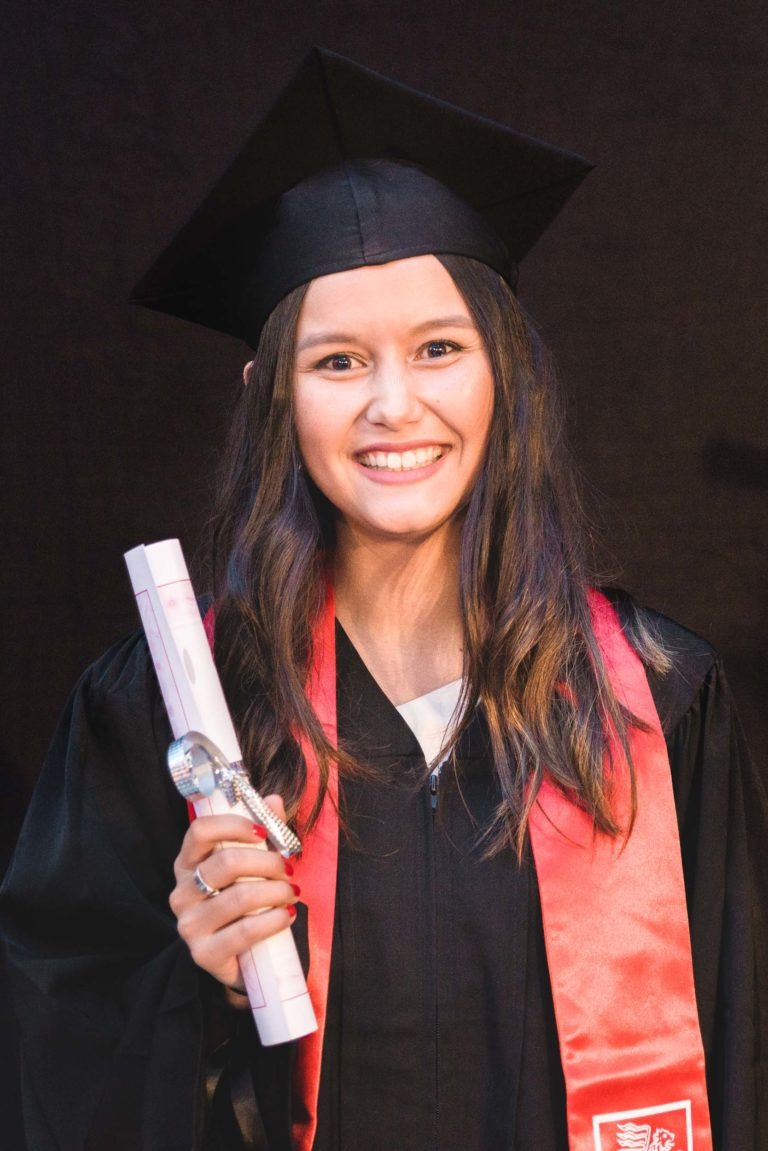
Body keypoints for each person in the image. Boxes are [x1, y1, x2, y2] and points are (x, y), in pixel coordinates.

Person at [1, 48, 766, 1151]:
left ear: (505, 375)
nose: (395, 407)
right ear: (272, 396)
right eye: (341, 363)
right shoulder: (168, 715)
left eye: (440, 349)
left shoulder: (657, 701)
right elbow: (58, 1060)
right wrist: (202, 986)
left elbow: (743, 1056)